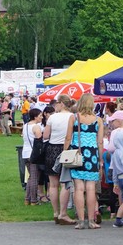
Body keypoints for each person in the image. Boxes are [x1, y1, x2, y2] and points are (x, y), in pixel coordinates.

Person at [65, 94, 104, 230]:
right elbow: (100, 142)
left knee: (79, 188)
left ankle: (81, 221)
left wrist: (65, 152)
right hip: (92, 155)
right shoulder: (98, 120)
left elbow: (68, 138)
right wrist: (100, 159)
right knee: (91, 188)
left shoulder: (74, 118)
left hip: (78, 154)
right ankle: (91, 220)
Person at [42, 95, 75, 225]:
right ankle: (63, 213)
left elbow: (45, 135)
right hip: (66, 149)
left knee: (53, 184)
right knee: (65, 183)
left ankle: (55, 212)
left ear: (61, 103)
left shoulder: (52, 117)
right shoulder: (72, 116)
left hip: (52, 148)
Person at [22, 109, 43, 205]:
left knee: (31, 177)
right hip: (33, 153)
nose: (41, 117)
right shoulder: (36, 127)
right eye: (40, 115)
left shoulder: (25, 125)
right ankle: (34, 200)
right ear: (35, 117)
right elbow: (39, 141)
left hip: (25, 153)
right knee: (34, 177)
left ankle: (27, 199)